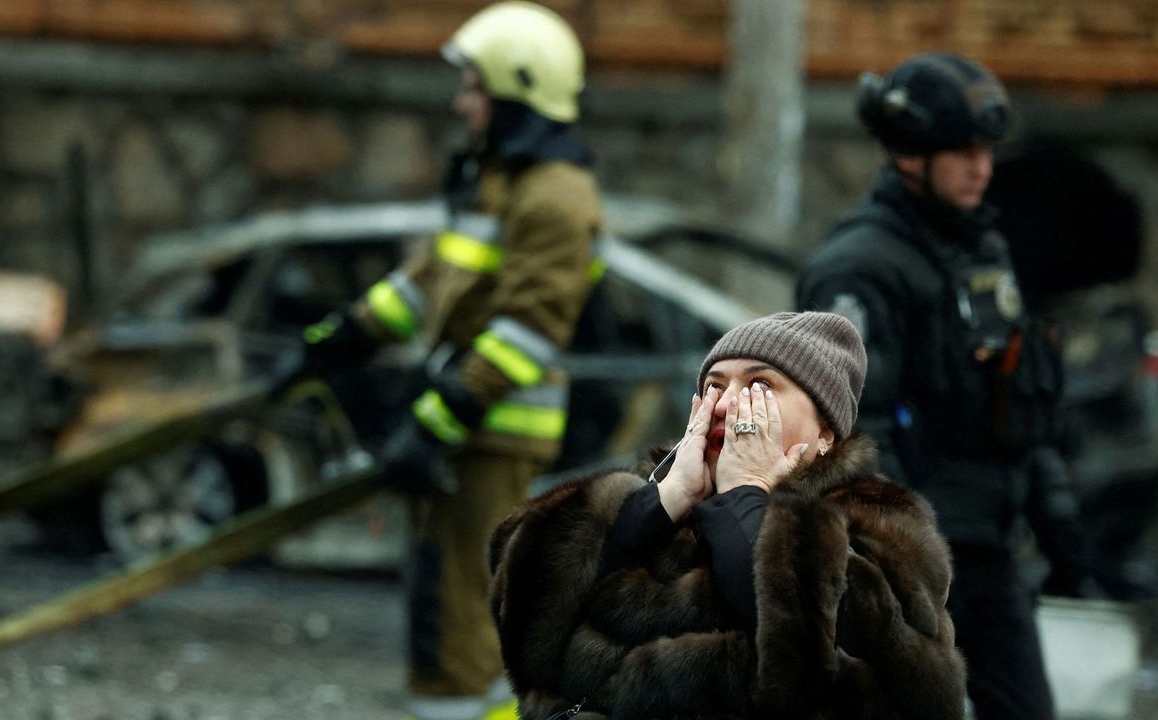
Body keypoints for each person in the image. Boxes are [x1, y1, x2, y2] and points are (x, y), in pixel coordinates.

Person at [291, 3, 602, 718]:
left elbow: (528, 333)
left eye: (475, 89)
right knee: (444, 612)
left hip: (492, 434)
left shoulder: (555, 197)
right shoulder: (501, 183)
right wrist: (344, 336)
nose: (462, 104)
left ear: (519, 93)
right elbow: (431, 283)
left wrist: (432, 421)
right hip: (469, 431)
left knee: (465, 621)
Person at [488, 312, 967, 719]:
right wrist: (661, 503)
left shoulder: (879, 522)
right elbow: (527, 623)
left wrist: (746, 496)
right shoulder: (660, 500)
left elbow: (851, 671)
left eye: (760, 386)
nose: (729, 404)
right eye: (714, 386)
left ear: (826, 434)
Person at [795, 53, 1085, 719]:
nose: (981, 166)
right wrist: (896, 558)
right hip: (908, 564)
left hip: (989, 555)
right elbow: (850, 432)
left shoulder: (980, 252)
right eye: (960, 151)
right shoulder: (860, 269)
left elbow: (1016, 408)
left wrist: (1058, 518)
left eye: (985, 150)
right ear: (908, 154)